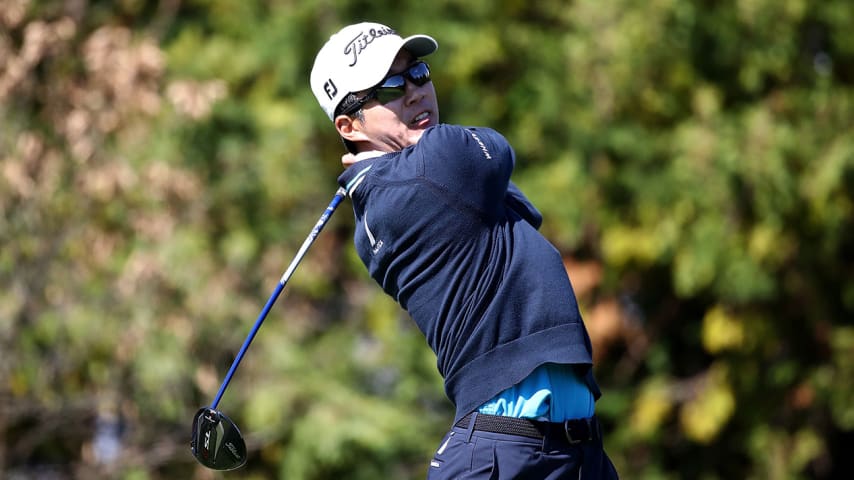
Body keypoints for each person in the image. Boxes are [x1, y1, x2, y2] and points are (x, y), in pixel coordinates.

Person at [310, 22, 619, 479]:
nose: (414, 92)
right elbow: (496, 150)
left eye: (418, 73)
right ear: (348, 125)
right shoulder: (431, 165)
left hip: (573, 452)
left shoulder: (395, 187)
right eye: (390, 87)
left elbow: (521, 209)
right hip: (503, 450)